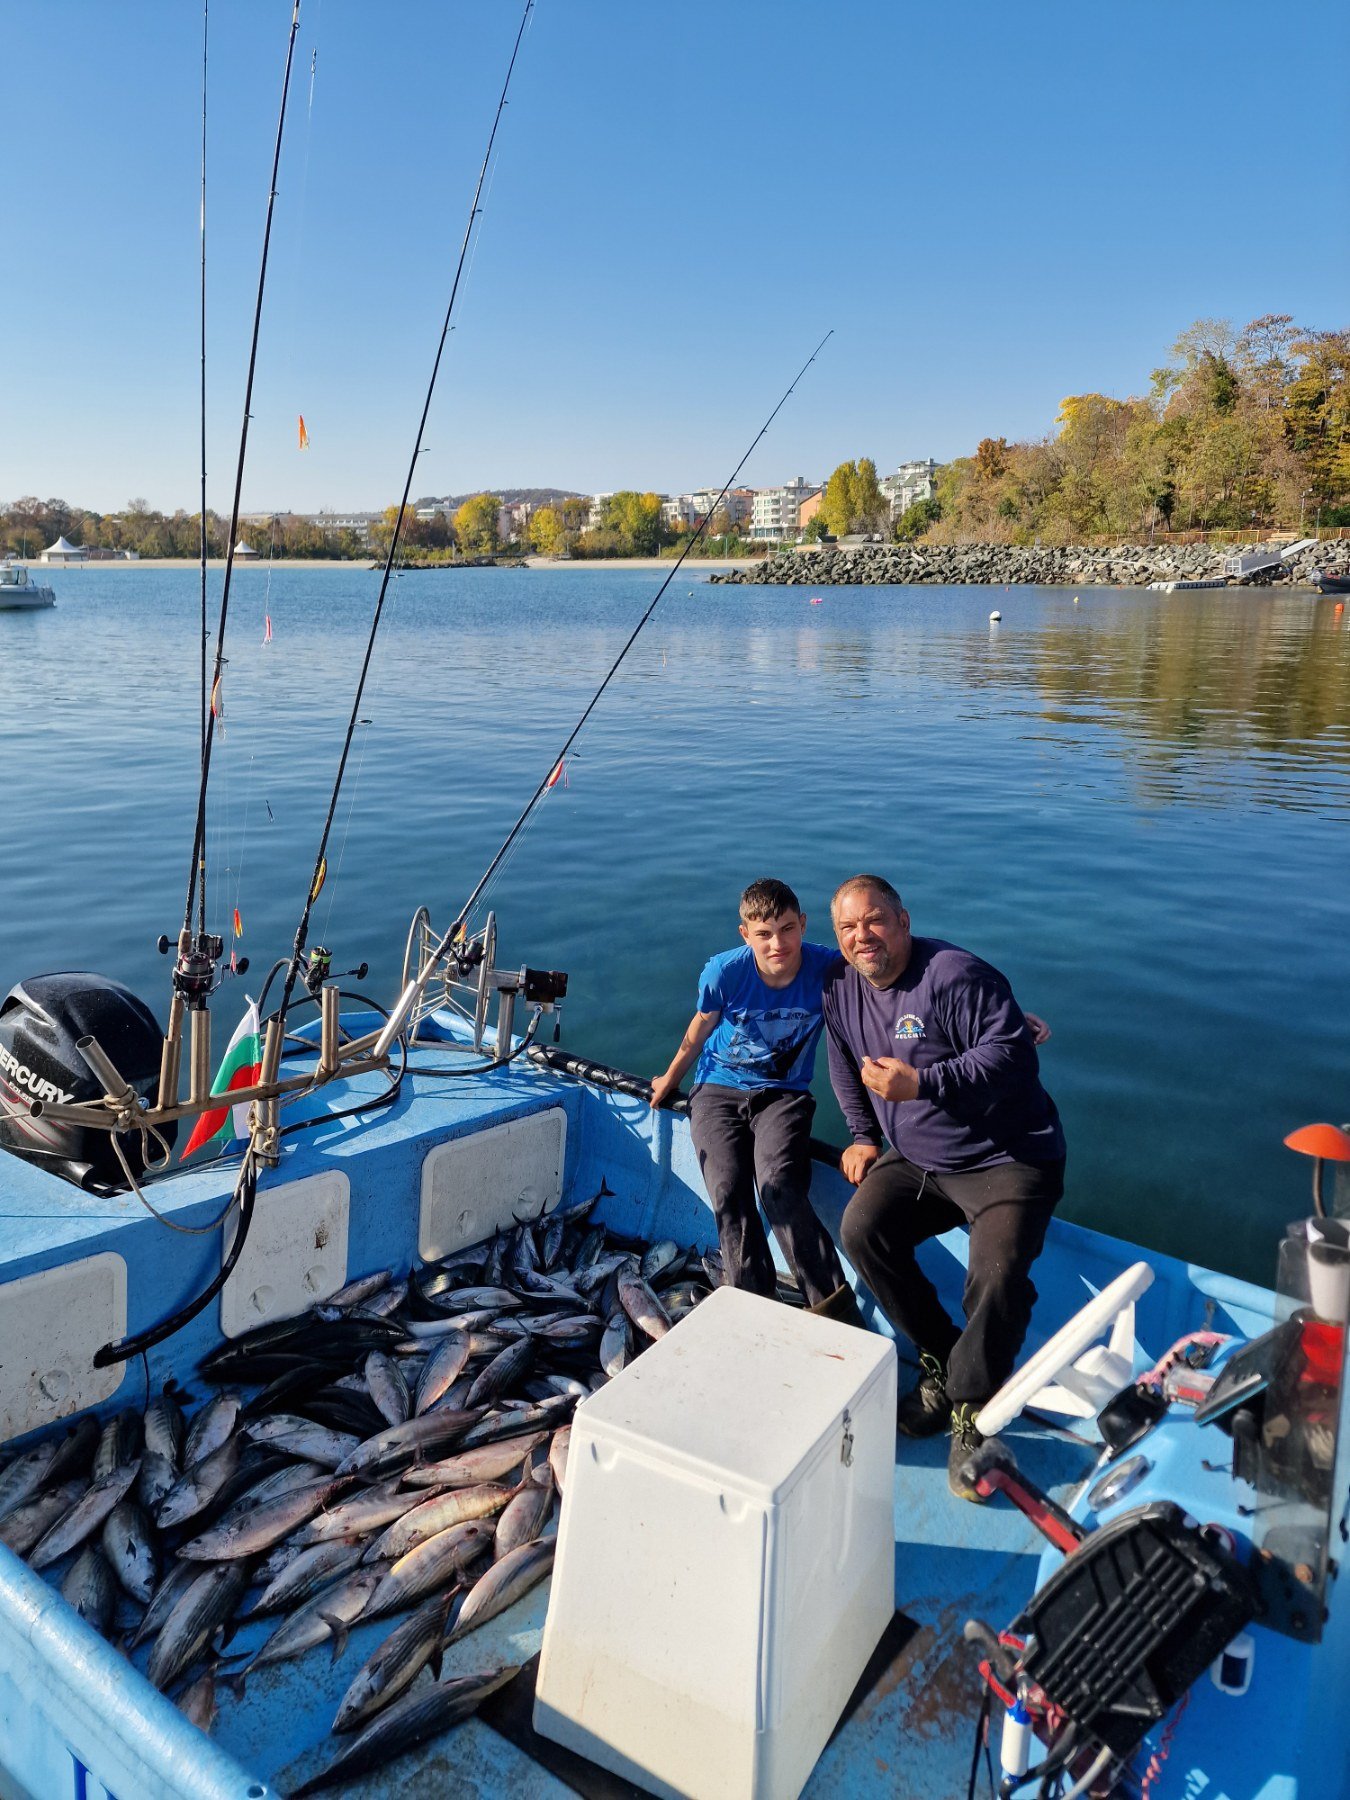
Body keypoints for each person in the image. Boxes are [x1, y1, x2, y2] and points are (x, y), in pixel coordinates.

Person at [822, 874, 1065, 1501]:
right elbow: (844, 1061)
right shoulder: (841, 987)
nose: (862, 936)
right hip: (921, 1159)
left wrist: (923, 1085)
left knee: (998, 1270)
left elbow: (1013, 1054)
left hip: (1010, 1156)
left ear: (903, 920)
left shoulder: (955, 975)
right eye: (848, 928)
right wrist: (861, 1134)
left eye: (874, 920)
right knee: (862, 1229)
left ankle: (971, 1409)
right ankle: (943, 1357)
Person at [650, 878, 858, 1320]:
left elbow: (889, 993)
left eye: (787, 929)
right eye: (763, 933)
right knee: (728, 1193)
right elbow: (700, 1027)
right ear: (746, 935)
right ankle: (753, 1307)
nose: (777, 943)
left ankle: (835, 1310)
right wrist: (670, 1078)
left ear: (803, 924)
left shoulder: (831, 970)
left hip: (784, 1095)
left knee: (779, 1188)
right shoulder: (724, 973)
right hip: (716, 1091)